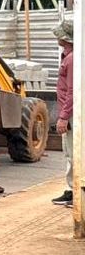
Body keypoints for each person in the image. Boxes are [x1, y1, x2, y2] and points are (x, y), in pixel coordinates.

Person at [52, 21, 74, 206]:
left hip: (71, 114)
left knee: (73, 152)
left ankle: (76, 192)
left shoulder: (72, 59)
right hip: (69, 112)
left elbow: (72, 91)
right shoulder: (68, 56)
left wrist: (64, 117)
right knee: (69, 153)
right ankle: (73, 189)